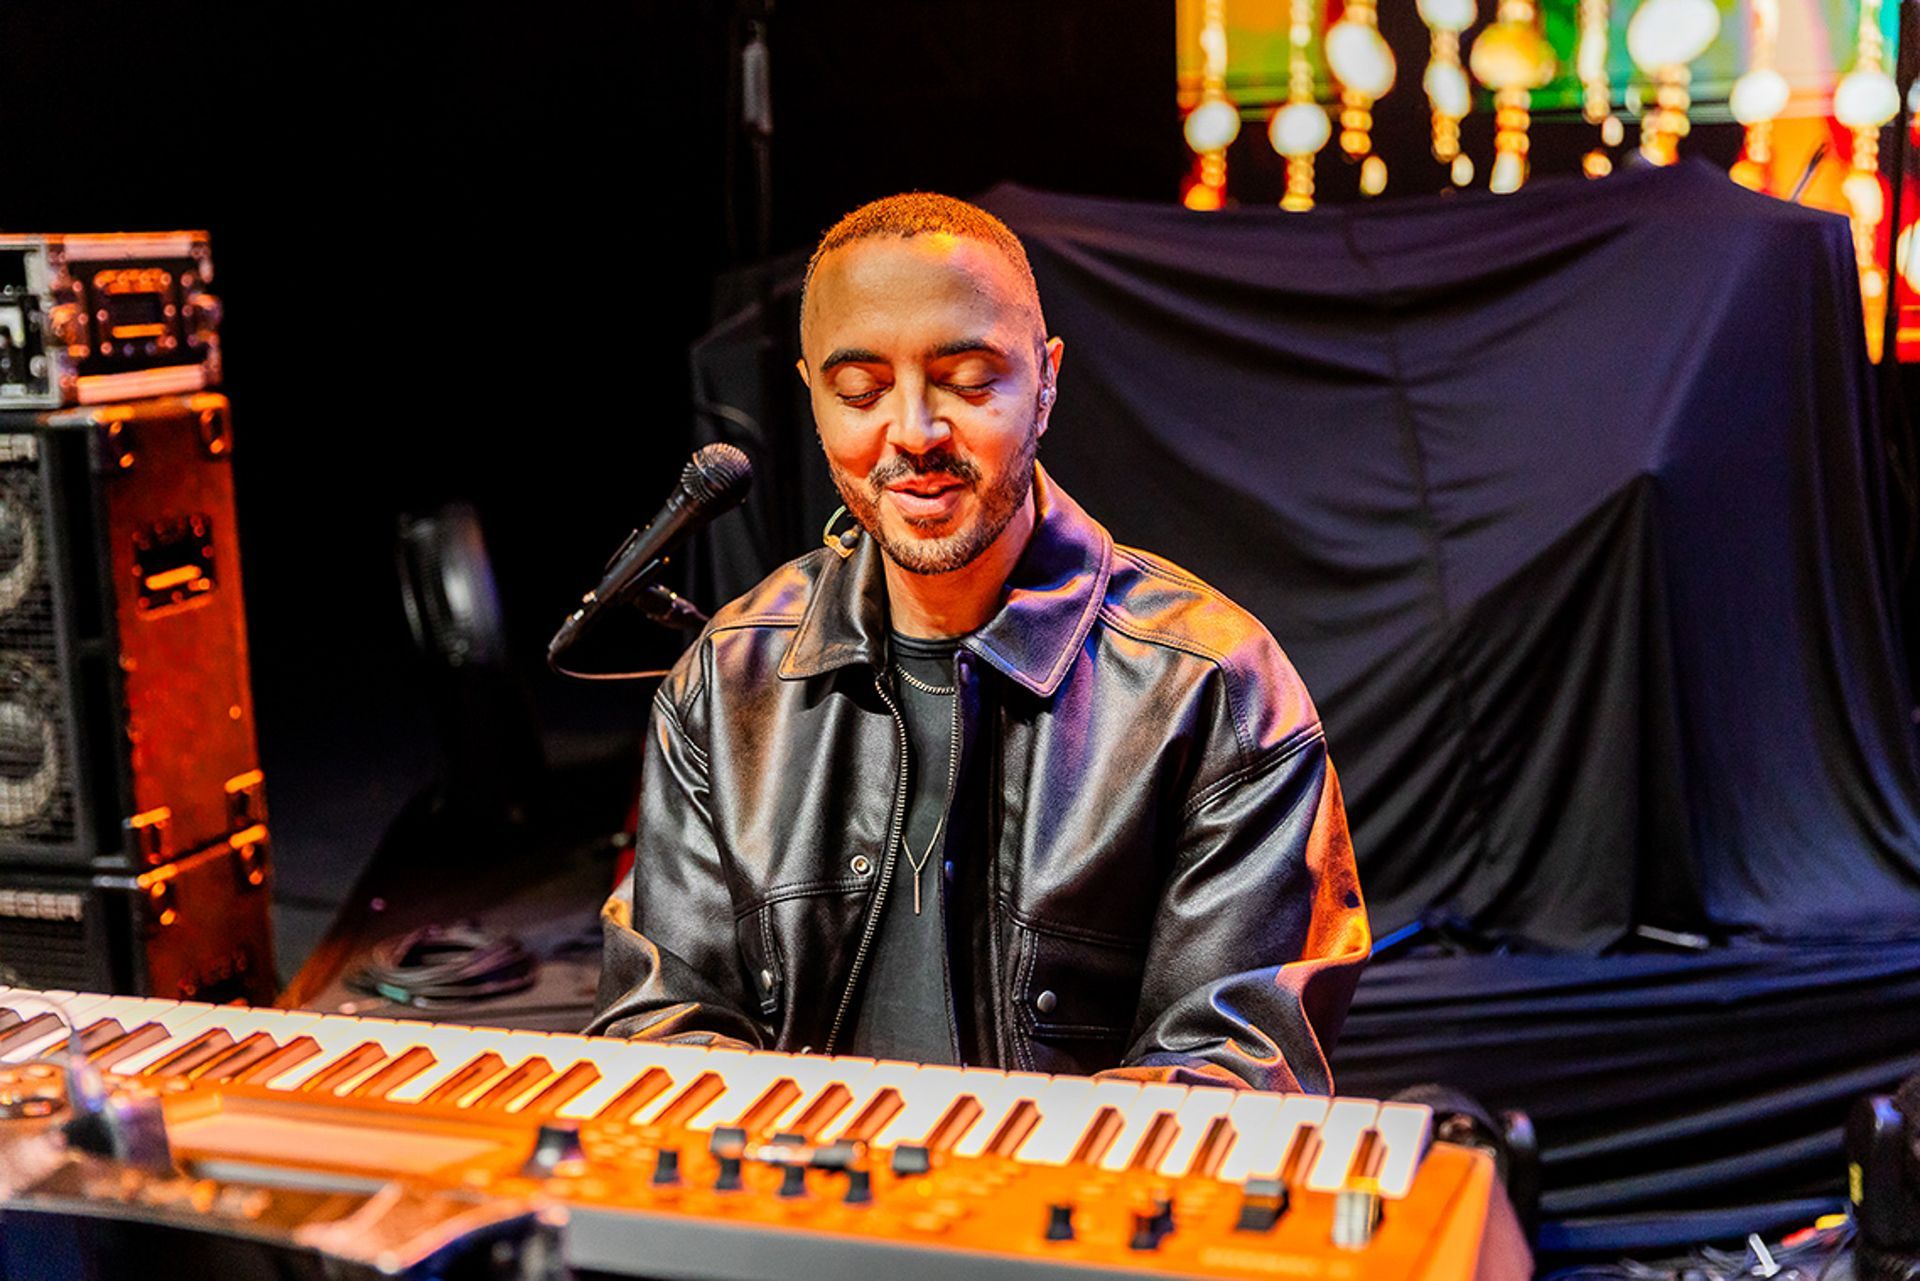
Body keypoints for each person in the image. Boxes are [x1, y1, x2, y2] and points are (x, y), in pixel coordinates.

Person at [588, 192, 1367, 1092]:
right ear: (813, 397)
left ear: (1046, 381)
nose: (914, 433)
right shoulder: (723, 683)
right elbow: (658, 1028)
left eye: (966, 379)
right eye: (861, 390)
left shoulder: (1218, 690)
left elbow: (1236, 1072)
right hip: (794, 1215)